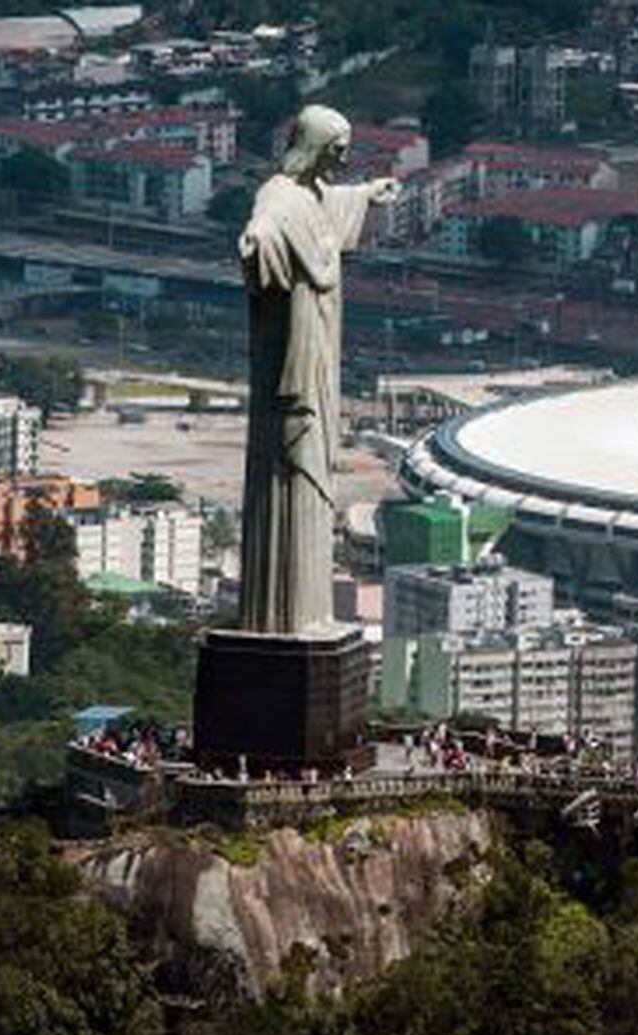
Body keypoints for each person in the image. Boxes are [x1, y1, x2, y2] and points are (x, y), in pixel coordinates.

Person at [237, 104, 401, 636]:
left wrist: (367, 193)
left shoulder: (312, 194)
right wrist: (258, 241)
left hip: (322, 347)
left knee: (316, 473)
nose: (344, 160)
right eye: (337, 151)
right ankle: (281, 615)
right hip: (296, 356)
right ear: (313, 147)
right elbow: (265, 224)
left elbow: (328, 204)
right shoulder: (279, 197)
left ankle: (309, 611)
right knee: (292, 469)